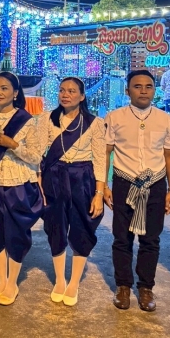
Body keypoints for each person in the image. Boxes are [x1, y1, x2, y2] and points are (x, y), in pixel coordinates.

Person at [103, 69, 170, 312]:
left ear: (155, 90)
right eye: (137, 86)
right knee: (122, 238)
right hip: (124, 184)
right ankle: (123, 286)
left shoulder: (165, 119)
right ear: (128, 90)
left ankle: (146, 288)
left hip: (155, 186)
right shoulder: (115, 117)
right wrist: (103, 185)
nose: (143, 91)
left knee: (151, 239)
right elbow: (106, 152)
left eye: (148, 86)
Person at [0, 72, 43, 306]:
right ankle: (1, 280)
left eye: (4, 88)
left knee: (16, 232)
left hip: (17, 184)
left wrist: (12, 145)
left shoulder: (26, 120)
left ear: (15, 92)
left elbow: (36, 156)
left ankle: (12, 282)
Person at [37, 77, 106, 306]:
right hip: (54, 177)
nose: (65, 95)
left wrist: (99, 193)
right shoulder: (48, 118)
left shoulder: (94, 123)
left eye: (72, 91)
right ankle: (59, 280)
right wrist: (38, 181)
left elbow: (100, 159)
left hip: (82, 178)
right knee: (55, 227)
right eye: (62, 90)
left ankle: (74, 282)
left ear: (82, 96)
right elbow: (38, 152)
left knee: (82, 228)